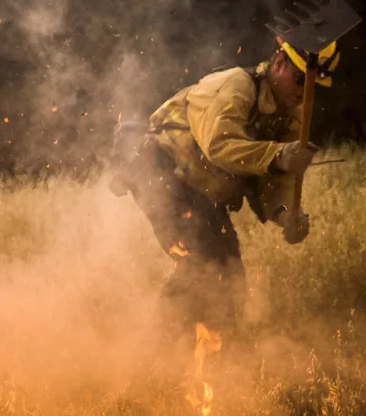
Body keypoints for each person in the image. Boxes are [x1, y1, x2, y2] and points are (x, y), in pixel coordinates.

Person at [113, 38, 339, 340]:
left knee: (229, 275)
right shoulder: (236, 85)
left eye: (314, 86)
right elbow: (219, 146)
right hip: (160, 171)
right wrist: (277, 155)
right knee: (200, 260)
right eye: (300, 79)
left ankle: (223, 354)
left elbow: (276, 179)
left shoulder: (292, 115)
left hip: (201, 192)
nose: (304, 91)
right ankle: (157, 351)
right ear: (279, 63)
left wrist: (286, 213)